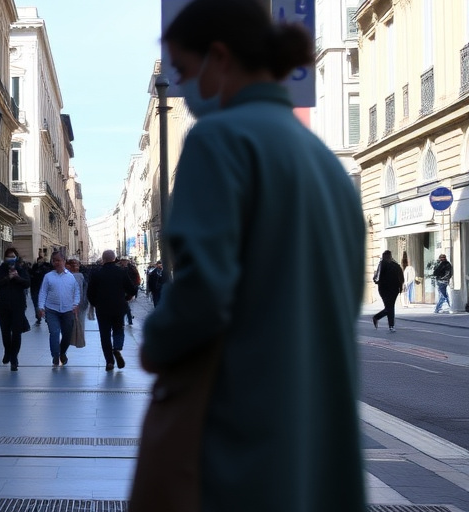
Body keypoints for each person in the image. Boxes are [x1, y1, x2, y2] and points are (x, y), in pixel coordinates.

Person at [135, 1, 366, 509]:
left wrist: (157, 341)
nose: (180, 87)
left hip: (241, 432)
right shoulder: (324, 162)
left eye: (183, 71)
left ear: (219, 58)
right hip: (318, 435)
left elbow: (202, 290)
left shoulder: (219, 140)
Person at [88, 250, 137, 371]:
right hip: (118, 307)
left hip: (102, 309)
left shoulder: (96, 274)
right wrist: (126, 298)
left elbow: (90, 293)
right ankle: (117, 348)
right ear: (115, 259)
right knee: (118, 329)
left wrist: (95, 303)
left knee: (104, 335)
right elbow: (132, 289)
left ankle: (109, 361)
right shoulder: (122, 272)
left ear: (103, 259)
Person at [0, 248, 31, 371]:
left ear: (16, 257)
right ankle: (7, 351)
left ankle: (14, 358)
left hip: (18, 306)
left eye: (13, 256)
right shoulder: (0, 270)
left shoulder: (21, 269)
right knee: (6, 332)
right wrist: (7, 278)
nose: (11, 258)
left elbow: (27, 283)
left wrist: (17, 277)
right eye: (9, 256)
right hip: (3, 306)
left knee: (17, 333)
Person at [36, 251, 79, 367]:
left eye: (58, 260)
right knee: (54, 333)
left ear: (64, 261)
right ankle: (55, 356)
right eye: (54, 260)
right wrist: (41, 307)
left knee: (67, 334)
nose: (56, 263)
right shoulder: (48, 277)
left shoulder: (70, 277)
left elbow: (76, 292)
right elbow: (43, 292)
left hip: (68, 310)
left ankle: (62, 352)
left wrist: (75, 304)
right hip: (51, 310)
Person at [372, 250, 404, 332]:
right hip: (394, 289)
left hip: (384, 289)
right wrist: (400, 288)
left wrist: (376, 281)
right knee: (390, 307)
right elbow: (401, 278)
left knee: (389, 307)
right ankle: (390, 325)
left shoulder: (382, 264)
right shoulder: (396, 265)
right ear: (390, 256)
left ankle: (378, 318)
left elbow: (377, 277)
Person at [66, 257, 88, 349]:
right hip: (79, 304)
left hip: (73, 304)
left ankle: (72, 340)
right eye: (73, 265)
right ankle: (77, 340)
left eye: (76, 265)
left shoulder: (78, 276)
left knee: (72, 324)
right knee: (79, 323)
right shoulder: (81, 276)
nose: (75, 267)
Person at [29, 256, 52, 325]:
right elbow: (31, 275)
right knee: (36, 304)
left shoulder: (46, 267)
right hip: (34, 288)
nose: (40, 262)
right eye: (39, 260)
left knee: (45, 304)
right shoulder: (34, 267)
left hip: (42, 288)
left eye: (41, 260)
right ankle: (38, 317)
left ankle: (46, 317)